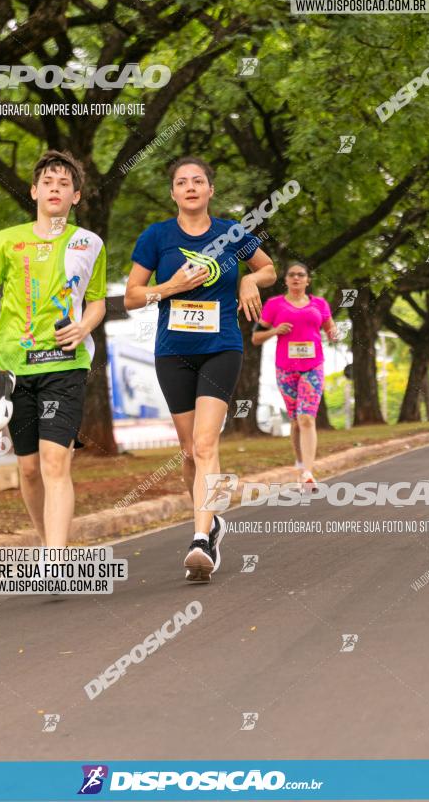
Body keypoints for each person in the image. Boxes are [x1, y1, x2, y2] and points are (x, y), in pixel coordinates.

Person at [124, 156, 276, 582]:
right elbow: (132, 297)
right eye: (181, 182)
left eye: (198, 181)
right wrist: (171, 287)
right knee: (190, 452)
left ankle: (199, 539)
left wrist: (249, 280)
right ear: (173, 193)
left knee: (207, 444)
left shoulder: (231, 232)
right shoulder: (156, 237)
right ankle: (211, 523)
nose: (190, 187)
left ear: (210, 190)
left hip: (221, 347)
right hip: (173, 352)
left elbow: (268, 268)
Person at [0, 149, 107, 547]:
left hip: (66, 366)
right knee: (28, 469)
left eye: (64, 184)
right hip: (13, 370)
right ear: (34, 192)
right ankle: (48, 541)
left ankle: (56, 559)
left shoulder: (89, 243)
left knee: (55, 460)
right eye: (48, 183)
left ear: (76, 196)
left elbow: (96, 300)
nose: (55, 189)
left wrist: (84, 327)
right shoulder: (5, 241)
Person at [252, 262, 337, 490]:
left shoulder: (319, 303)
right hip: (286, 369)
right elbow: (255, 338)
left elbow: (330, 327)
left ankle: (308, 473)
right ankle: (300, 463)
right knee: (296, 420)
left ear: (308, 280)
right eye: (292, 275)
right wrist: (274, 331)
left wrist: (334, 333)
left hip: (313, 366)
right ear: (286, 280)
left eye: (301, 275)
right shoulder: (274, 305)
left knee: (307, 417)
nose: (297, 278)